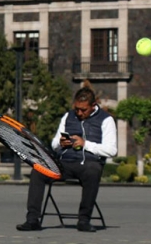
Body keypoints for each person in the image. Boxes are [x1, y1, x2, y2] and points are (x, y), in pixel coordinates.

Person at [16, 86, 117, 233]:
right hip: (65, 163)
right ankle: (32, 220)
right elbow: (54, 143)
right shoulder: (68, 116)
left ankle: (84, 219)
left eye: (84, 110)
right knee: (38, 170)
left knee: (93, 171)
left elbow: (112, 150)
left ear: (93, 106)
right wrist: (60, 144)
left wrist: (85, 144)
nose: (79, 113)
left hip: (88, 163)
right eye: (77, 109)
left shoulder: (106, 120)